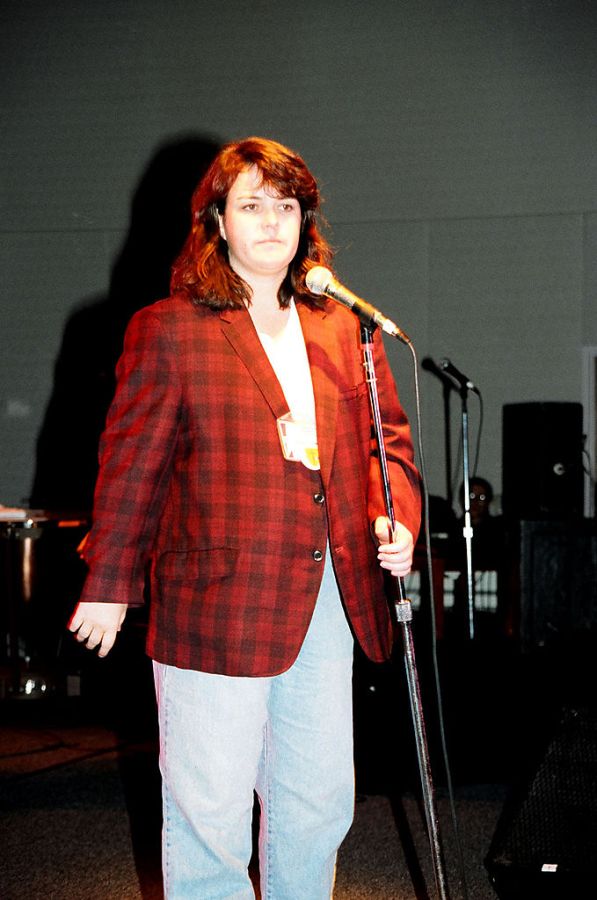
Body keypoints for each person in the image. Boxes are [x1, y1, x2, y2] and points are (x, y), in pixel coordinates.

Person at [68, 137, 421, 899]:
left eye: (286, 206)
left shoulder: (342, 327)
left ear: (305, 223)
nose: (271, 221)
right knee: (209, 812)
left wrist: (398, 520)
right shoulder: (169, 327)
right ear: (217, 223)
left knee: (317, 803)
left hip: (328, 599)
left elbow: (384, 447)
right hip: (213, 601)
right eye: (251, 205)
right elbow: (132, 465)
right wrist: (109, 581)